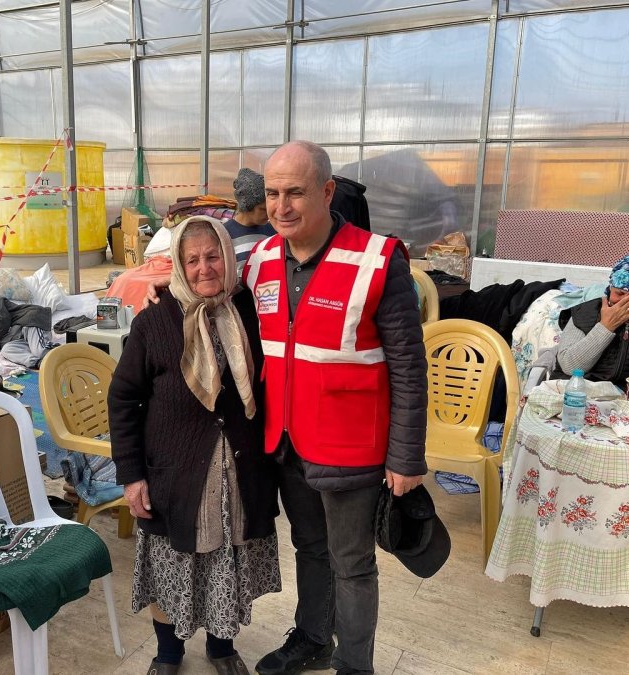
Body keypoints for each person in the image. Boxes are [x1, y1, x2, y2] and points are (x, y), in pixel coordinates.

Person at [243, 141, 428, 675]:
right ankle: (311, 639)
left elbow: (409, 369)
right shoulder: (259, 262)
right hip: (287, 442)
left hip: (352, 449)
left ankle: (354, 664)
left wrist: (406, 458)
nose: (281, 206)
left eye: (295, 193)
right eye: (273, 194)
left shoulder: (377, 259)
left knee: (352, 565)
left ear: (326, 191)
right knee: (310, 548)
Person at [108, 216, 281, 675]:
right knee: (171, 567)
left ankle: (222, 648)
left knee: (228, 565)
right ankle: (168, 654)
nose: (204, 268)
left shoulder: (252, 312)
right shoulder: (155, 321)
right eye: (192, 259)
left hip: (240, 471)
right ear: (179, 267)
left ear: (229, 256)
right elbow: (124, 399)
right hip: (175, 472)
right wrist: (131, 475)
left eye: (213, 256)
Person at [555, 250, 629, 390]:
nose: (622, 302)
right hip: (576, 393)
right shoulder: (583, 312)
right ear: (610, 288)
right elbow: (569, 366)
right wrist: (605, 327)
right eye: (619, 293)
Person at [224, 168, 275, 275]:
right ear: (247, 206)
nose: (268, 214)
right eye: (263, 209)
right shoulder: (225, 234)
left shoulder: (272, 232)